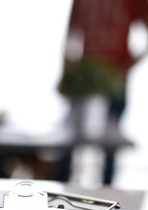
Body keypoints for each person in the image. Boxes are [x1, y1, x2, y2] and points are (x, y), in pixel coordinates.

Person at [56, 0, 148, 184]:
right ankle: (58, 194)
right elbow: (71, 31)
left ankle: (108, 200)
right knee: (69, 142)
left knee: (110, 146)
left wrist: (128, 67)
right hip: (84, 79)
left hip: (114, 81)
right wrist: (67, 71)